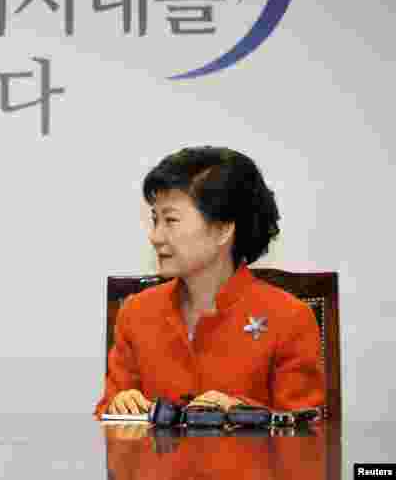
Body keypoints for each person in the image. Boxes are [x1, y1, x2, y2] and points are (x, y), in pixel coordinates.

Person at [95, 146, 324, 417]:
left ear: (223, 229)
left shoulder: (289, 318)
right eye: (155, 220)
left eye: (170, 220)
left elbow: (307, 431)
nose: (155, 236)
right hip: (158, 460)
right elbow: (106, 421)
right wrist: (120, 405)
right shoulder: (136, 313)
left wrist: (240, 413)